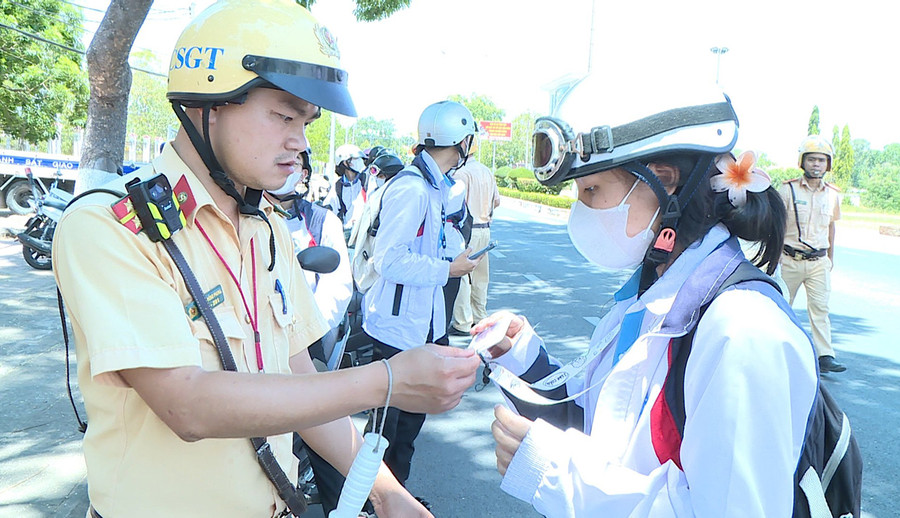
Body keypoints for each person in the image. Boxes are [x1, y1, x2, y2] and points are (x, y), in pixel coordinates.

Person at [51, 3, 480, 517]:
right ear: (208, 101)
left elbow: (302, 384)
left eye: (306, 121)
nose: (299, 143)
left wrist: (387, 493)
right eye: (283, 114)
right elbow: (186, 404)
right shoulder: (111, 227)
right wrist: (387, 380)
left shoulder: (266, 226)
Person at [478, 77, 818, 517]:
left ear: (663, 181)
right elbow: (606, 428)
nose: (581, 211)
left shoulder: (744, 334)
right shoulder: (649, 294)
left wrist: (554, 475)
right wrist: (526, 360)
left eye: (592, 191)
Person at [361, 101, 481, 501]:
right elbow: (389, 260)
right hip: (397, 331)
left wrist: (451, 258)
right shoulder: (413, 188)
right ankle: (367, 503)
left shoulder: (434, 186)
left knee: (406, 430)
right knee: (383, 433)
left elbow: (427, 246)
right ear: (461, 141)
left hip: (420, 327)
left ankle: (397, 500)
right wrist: (448, 270)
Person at [778, 135, 845, 373]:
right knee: (782, 306)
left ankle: (825, 355)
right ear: (802, 162)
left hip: (818, 261)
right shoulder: (788, 190)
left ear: (828, 164)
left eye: (821, 160)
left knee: (820, 309)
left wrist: (831, 258)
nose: (816, 164)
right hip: (789, 259)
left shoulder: (833, 195)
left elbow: (831, 227)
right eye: (812, 159)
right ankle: (777, 348)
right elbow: (777, 225)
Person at [450, 145, 500, 335]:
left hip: (468, 231)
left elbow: (455, 204)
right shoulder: (487, 171)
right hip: (485, 229)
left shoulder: (461, 174)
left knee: (462, 275)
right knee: (481, 277)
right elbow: (497, 201)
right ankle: (480, 317)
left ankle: (463, 322)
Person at [325, 143, 375, 238]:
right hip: (345, 236)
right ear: (345, 162)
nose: (359, 162)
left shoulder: (367, 182)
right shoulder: (338, 187)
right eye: (355, 159)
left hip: (364, 235)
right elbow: (329, 210)